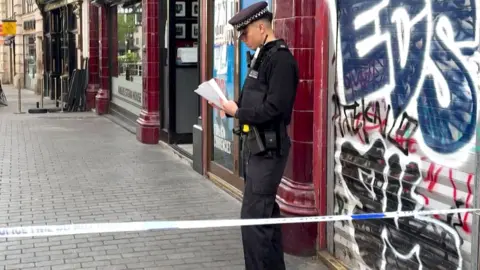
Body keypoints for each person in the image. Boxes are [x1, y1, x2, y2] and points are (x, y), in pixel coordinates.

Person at [209, 2, 299, 269]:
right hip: (256, 147)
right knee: (265, 216)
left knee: (252, 221)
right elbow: (252, 100)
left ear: (262, 27)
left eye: (245, 33)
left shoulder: (281, 59)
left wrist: (239, 113)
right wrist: (228, 106)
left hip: (269, 150)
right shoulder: (262, 55)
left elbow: (275, 108)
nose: (243, 39)